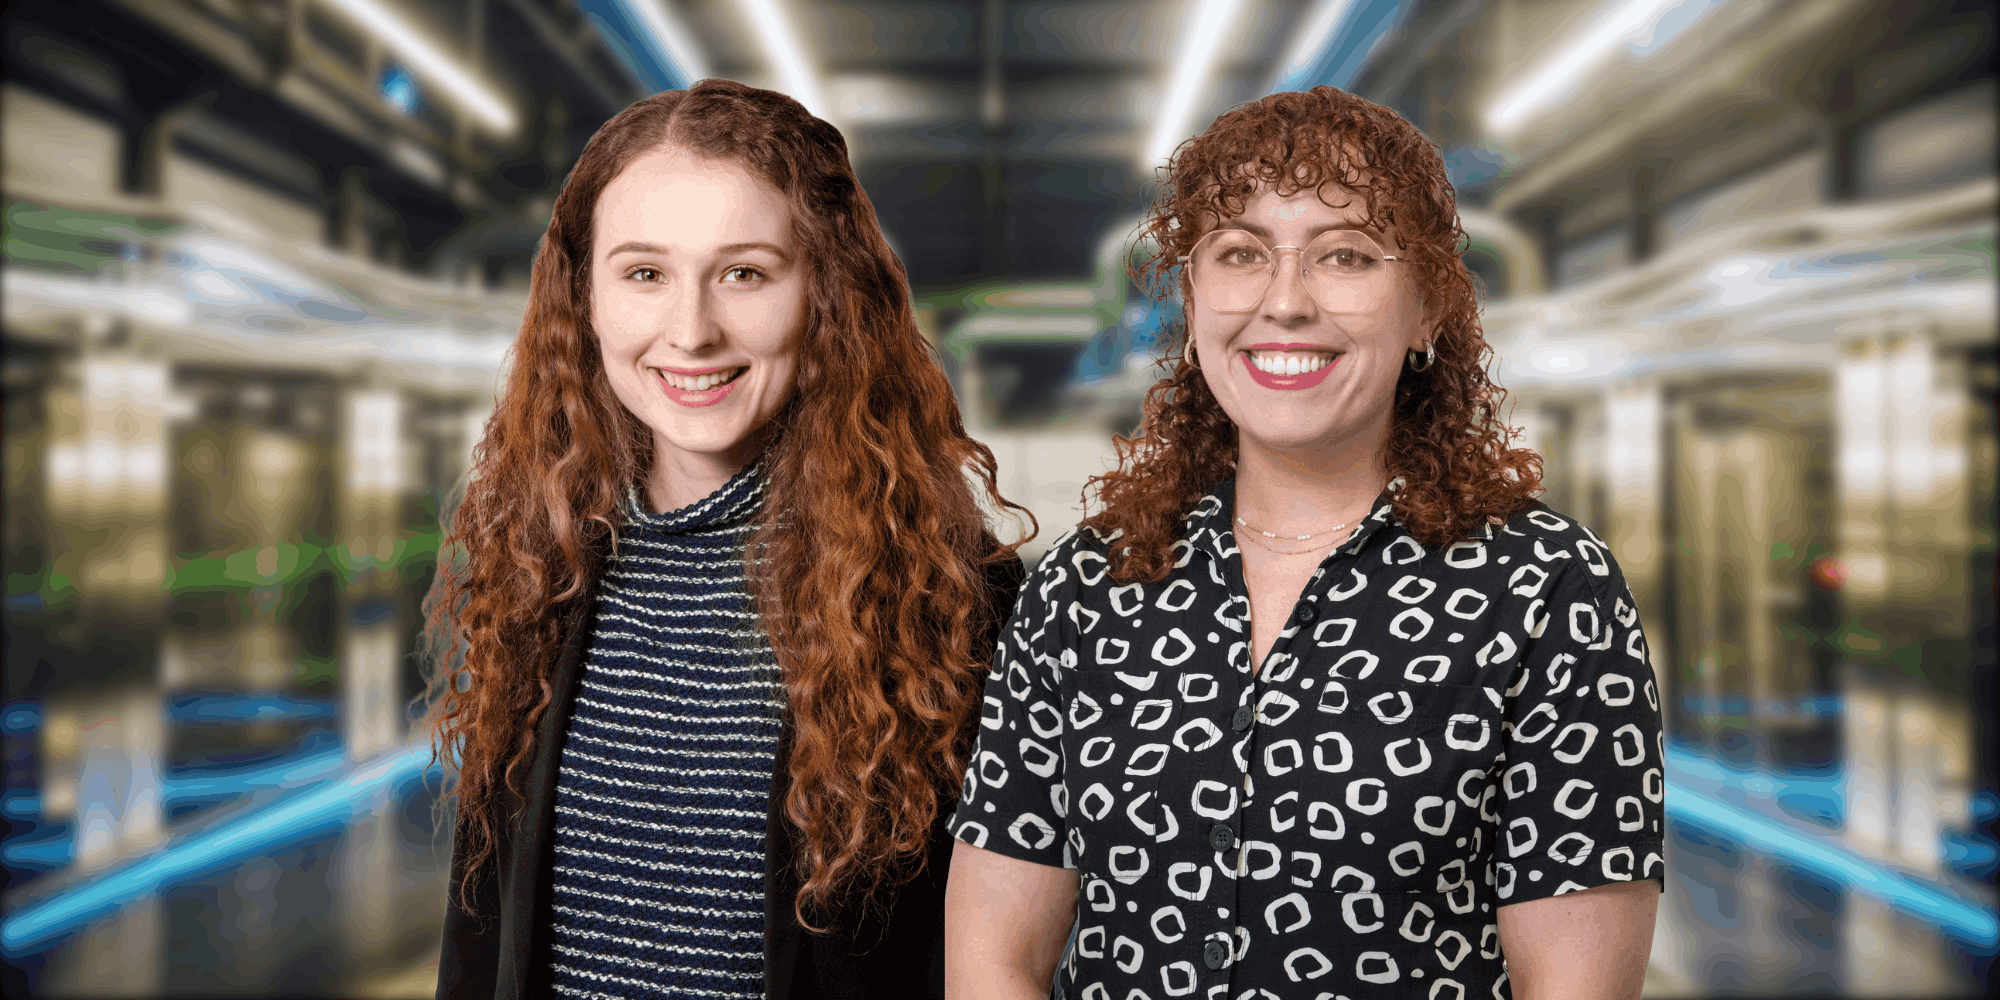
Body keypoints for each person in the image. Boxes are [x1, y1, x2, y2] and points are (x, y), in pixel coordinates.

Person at [944, 86, 1664, 1000]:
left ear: (1429, 309)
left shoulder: (1547, 592)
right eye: (1240, 254)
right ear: (1194, 297)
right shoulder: (1087, 589)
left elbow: (1573, 985)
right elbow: (992, 960)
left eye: (1347, 255)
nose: (1285, 302)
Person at [424, 79, 1026, 1000]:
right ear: (583, 299)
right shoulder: (533, 569)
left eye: (744, 272)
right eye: (644, 274)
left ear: (825, 294)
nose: (692, 331)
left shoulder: (953, 602)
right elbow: (481, 942)